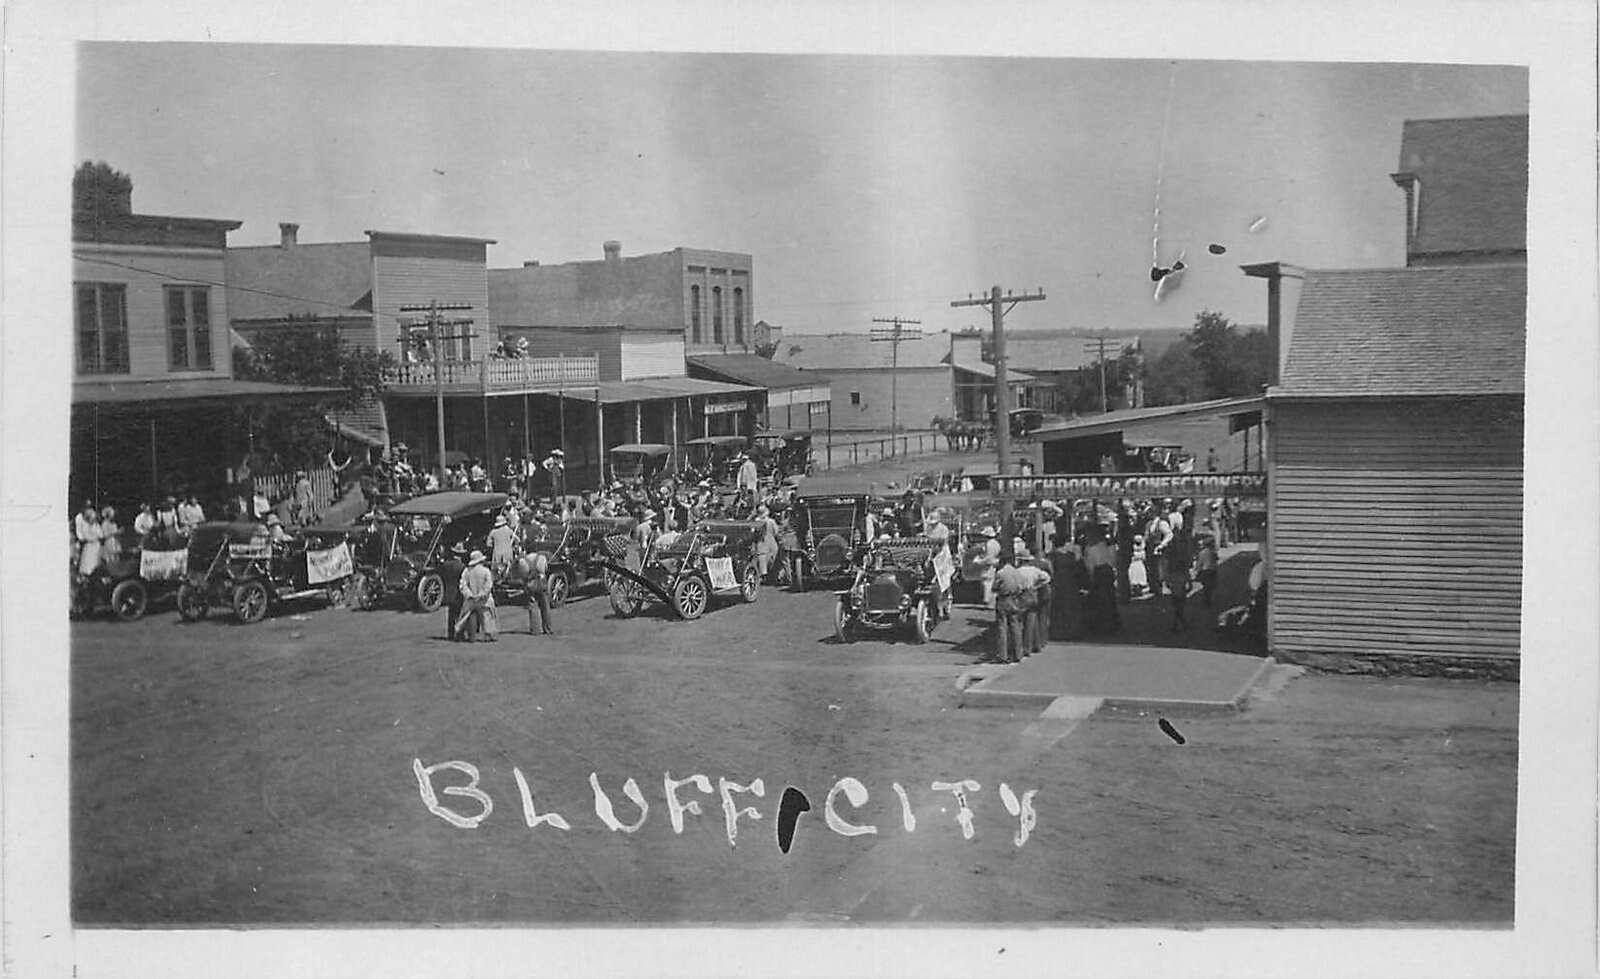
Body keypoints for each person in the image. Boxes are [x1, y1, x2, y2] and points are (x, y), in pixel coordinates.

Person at [989, 551, 1030, 664]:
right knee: (1015, 626)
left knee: (1002, 628)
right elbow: (1021, 586)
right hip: (1014, 599)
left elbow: (994, 587)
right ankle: (1018, 654)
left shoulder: (1000, 573)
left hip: (1003, 599)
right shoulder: (1017, 572)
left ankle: (1003, 655)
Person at [1014, 546, 1053, 657]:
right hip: (1032, 594)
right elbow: (1047, 578)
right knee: (1032, 622)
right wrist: (1037, 586)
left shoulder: (1017, 572)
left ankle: (1022, 647)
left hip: (1021, 596)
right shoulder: (1035, 570)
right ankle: (1032, 646)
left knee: (1020, 622)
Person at [1082, 526, 1121, 634]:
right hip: (1108, 573)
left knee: (1099, 600)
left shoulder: (1091, 549)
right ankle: (1111, 623)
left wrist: (1091, 577)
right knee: (1109, 598)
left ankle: (1100, 624)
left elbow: (1090, 564)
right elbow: (1114, 562)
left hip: (1098, 574)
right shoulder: (1111, 547)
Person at [457, 550, 497, 642]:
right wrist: (481, 594)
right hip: (484, 599)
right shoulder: (486, 571)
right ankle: (488, 635)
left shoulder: (466, 571)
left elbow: (463, 585)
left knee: (469, 615)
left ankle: (471, 635)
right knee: (486, 616)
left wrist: (470, 595)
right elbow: (488, 585)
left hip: (471, 599)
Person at [1162, 524, 1193, 633]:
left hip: (1175, 575)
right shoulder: (1182, 549)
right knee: (1179, 600)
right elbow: (1186, 565)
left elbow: (1166, 564)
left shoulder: (1171, 549)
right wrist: (1189, 579)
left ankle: (1178, 622)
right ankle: (1180, 622)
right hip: (1179, 575)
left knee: (1176, 600)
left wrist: (1166, 578)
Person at [518, 547, 554, 636]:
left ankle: (535, 630)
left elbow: (523, 575)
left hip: (530, 584)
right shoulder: (542, 558)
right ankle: (548, 628)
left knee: (533, 606)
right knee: (545, 605)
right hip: (541, 583)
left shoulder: (523, 561)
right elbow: (545, 570)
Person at [440, 543, 467, 641]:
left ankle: (450, 633)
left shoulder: (446, 565)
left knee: (451, 615)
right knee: (460, 614)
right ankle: (460, 634)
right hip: (458, 593)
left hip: (448, 592)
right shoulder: (462, 567)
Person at [753, 504, 780, 584]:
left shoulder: (756, 521)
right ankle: (771, 576)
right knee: (772, 558)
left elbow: (753, 532)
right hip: (771, 541)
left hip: (761, 542)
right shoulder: (771, 521)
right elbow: (776, 532)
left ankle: (763, 575)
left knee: (762, 558)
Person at [74, 503, 102, 579]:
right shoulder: (80, 518)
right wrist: (83, 539)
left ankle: (94, 575)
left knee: (95, 563)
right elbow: (80, 534)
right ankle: (85, 576)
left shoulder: (96, 525)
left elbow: (100, 535)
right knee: (86, 563)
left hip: (95, 545)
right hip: (87, 545)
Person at [976, 525, 1002, 607]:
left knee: (987, 583)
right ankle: (991, 602)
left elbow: (989, 558)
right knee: (991, 583)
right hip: (994, 564)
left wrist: (979, 561)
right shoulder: (996, 544)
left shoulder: (989, 544)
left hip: (988, 566)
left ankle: (988, 602)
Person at [487, 514, 516, 579]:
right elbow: (517, 540)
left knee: (496, 571)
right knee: (508, 569)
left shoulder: (493, 532)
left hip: (497, 554)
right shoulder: (508, 530)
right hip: (508, 553)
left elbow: (488, 544)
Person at [1195, 534, 1220, 609]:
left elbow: (1199, 563)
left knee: (1206, 585)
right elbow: (1216, 559)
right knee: (1211, 585)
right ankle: (1208, 598)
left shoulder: (1202, 553)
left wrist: (1197, 570)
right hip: (1212, 570)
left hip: (1205, 570)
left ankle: (1206, 598)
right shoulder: (1213, 552)